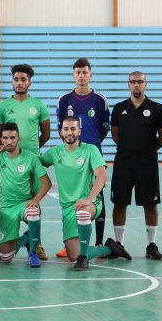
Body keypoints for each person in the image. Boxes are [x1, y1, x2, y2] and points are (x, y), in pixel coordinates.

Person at [40, 117, 130, 270]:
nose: (69, 132)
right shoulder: (55, 152)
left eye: (73, 129)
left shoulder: (90, 150)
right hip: (68, 208)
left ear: (79, 131)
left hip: (90, 203)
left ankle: (84, 258)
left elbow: (101, 176)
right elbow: (34, 162)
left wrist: (89, 199)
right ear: (61, 132)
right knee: (72, 256)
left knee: (82, 215)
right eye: (66, 129)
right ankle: (109, 249)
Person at [0, 63, 51, 261]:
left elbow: (46, 134)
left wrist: (31, 153)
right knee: (15, 198)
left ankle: (37, 244)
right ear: (12, 81)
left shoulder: (39, 105)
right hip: (11, 161)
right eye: (16, 79)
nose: (19, 83)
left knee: (35, 203)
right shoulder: (3, 106)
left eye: (23, 79)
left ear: (30, 82)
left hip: (31, 161)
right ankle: (20, 239)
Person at [55, 58, 110, 256]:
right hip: (71, 156)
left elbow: (104, 129)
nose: (81, 76)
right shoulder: (64, 100)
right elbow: (61, 128)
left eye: (85, 72)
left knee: (96, 196)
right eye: (78, 72)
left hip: (92, 154)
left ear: (90, 75)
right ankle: (72, 241)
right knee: (72, 196)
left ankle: (98, 241)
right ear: (73, 75)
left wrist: (91, 144)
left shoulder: (100, 100)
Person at [110, 71, 162, 259]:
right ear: (128, 85)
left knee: (150, 204)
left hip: (147, 163)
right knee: (119, 202)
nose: (136, 85)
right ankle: (119, 244)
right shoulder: (119, 109)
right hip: (123, 162)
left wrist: (148, 149)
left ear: (146, 84)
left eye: (140, 82)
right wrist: (129, 148)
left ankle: (151, 245)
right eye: (133, 82)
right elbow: (116, 136)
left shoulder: (157, 109)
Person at [0, 122, 51, 268]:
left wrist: (36, 199)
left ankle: (33, 253)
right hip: (7, 207)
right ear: (1, 140)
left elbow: (46, 183)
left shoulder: (30, 158)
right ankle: (27, 238)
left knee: (33, 213)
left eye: (12, 137)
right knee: (5, 258)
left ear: (18, 139)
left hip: (24, 203)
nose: (9, 141)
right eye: (5, 138)